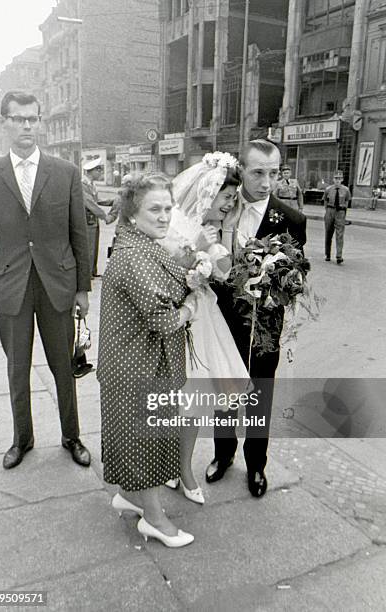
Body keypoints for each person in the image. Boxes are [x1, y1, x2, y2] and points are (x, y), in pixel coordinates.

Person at [0, 91, 91, 470]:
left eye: (33, 118)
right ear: (4, 122)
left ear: (39, 121)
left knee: (63, 366)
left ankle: (71, 436)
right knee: (17, 369)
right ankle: (21, 439)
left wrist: (82, 288)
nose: (27, 125)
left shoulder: (65, 173)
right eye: (18, 118)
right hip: (11, 285)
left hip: (57, 284)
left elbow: (79, 233)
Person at [97, 173, 197, 548]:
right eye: (154, 209)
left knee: (135, 437)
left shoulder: (142, 244)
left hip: (133, 363)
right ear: (132, 213)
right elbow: (163, 319)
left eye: (168, 208)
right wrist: (189, 307)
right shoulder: (135, 255)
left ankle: (129, 496)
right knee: (145, 441)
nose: (164, 216)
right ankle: (154, 520)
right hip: (137, 367)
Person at [206, 139, 307, 497]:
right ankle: (223, 455)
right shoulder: (220, 209)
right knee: (224, 395)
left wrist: (275, 284)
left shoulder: (291, 219)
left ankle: (257, 465)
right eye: (258, 172)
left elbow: (297, 276)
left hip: (264, 327)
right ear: (242, 171)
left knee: (259, 397)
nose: (267, 182)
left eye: (274, 173)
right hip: (222, 323)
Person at [159, 152, 250, 504]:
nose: (230, 204)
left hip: (200, 324)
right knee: (171, 403)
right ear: (209, 192)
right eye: (227, 197)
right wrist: (196, 250)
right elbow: (161, 270)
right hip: (175, 323)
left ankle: (183, 470)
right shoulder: (175, 222)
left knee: (194, 402)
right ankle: (168, 467)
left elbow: (226, 271)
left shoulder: (215, 230)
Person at [82, 157, 113, 278]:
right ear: (91, 171)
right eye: (98, 171)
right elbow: (90, 203)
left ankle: (93, 271)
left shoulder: (92, 185)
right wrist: (105, 217)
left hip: (92, 220)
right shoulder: (82, 184)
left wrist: (112, 201)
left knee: (94, 245)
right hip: (85, 219)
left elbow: (97, 200)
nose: (100, 173)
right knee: (88, 247)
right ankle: (87, 273)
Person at [323, 171, 351, 264]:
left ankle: (339, 255)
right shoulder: (328, 189)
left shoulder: (346, 190)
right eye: (336, 178)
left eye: (339, 179)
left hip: (340, 212)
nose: (337, 180)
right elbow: (325, 201)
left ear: (342, 179)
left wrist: (343, 212)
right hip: (330, 211)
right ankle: (327, 254)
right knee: (328, 233)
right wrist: (328, 212)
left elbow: (347, 201)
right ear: (333, 179)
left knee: (340, 235)